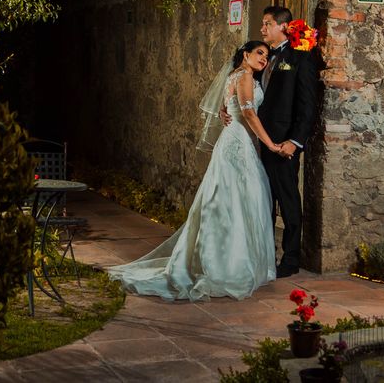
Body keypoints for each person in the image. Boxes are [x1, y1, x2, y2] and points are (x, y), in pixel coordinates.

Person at [107, 41, 281, 301]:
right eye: (259, 53)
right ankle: (229, 266)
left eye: (266, 56)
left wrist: (226, 114)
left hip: (235, 140)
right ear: (246, 55)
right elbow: (248, 114)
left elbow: (227, 108)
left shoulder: (235, 76)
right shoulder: (243, 75)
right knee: (235, 200)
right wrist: (270, 144)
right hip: (238, 143)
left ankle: (228, 259)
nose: (264, 59)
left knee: (230, 200)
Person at [257, 6, 319, 278]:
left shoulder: (300, 58)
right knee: (263, 200)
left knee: (288, 199)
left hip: (284, 144)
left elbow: (308, 107)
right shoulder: (265, 57)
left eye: (267, 24)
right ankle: (265, 253)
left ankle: (291, 259)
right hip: (261, 141)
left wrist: (295, 141)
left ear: (283, 26)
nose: (262, 29)